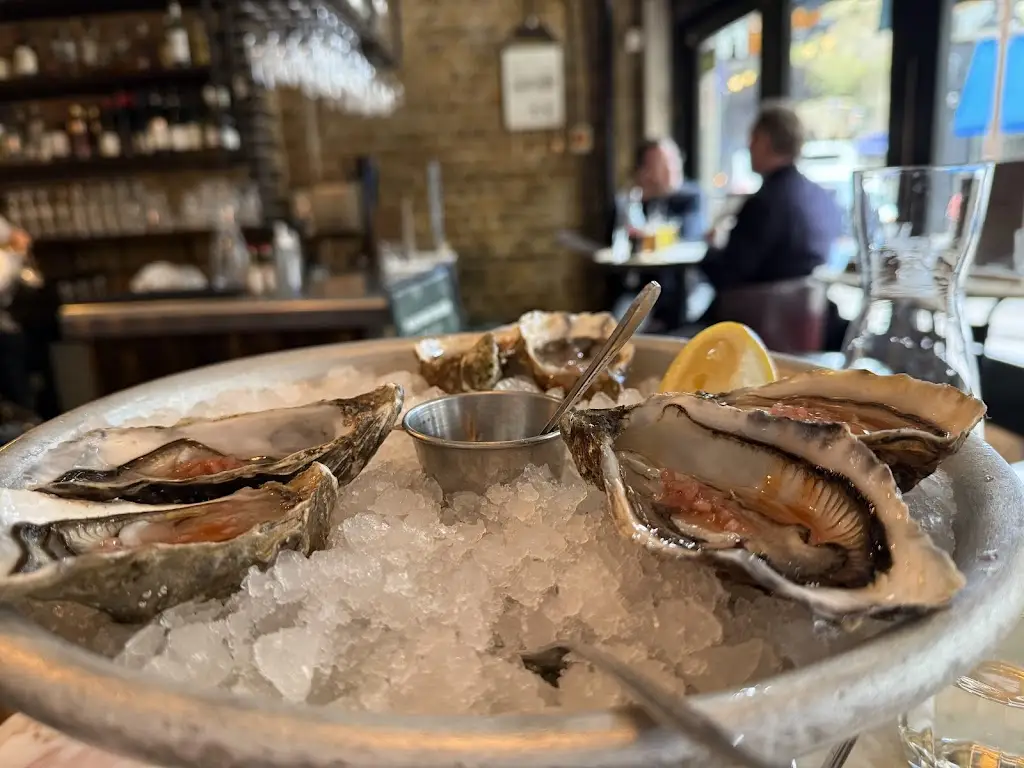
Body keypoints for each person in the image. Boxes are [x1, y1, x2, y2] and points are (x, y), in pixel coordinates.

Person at [700, 103, 841, 296]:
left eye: (753, 138)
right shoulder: (821, 197)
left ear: (765, 141)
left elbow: (728, 274)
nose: (748, 146)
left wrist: (710, 249)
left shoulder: (764, 203)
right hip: (809, 317)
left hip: (753, 319)